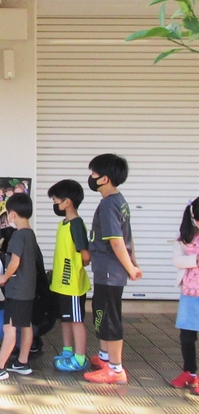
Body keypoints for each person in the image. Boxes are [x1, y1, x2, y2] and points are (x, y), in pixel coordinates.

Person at [83, 153, 142, 385]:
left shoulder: (109, 204)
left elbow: (118, 240)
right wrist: (133, 264)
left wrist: (130, 267)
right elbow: (129, 237)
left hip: (109, 271)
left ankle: (115, 370)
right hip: (108, 270)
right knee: (102, 311)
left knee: (109, 317)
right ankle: (105, 358)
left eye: (94, 174)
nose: (91, 178)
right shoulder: (119, 201)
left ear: (104, 178)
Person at [0, 193, 38, 382]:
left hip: (17, 290)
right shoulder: (30, 233)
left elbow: (15, 261)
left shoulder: (17, 236)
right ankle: (22, 362)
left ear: (12, 214)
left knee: (9, 328)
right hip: (28, 290)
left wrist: (4, 277)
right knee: (25, 325)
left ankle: (0, 367)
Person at [48, 179, 91, 372]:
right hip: (60, 284)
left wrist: (74, 268)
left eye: (57, 201)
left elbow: (86, 255)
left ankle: (80, 358)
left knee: (76, 320)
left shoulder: (76, 225)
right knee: (65, 319)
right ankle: (67, 350)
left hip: (72, 285)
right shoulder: (62, 224)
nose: (55, 205)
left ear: (67, 202)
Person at [170, 197, 199, 393]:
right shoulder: (184, 238)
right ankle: (190, 371)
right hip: (189, 294)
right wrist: (195, 258)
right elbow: (177, 261)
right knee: (187, 335)